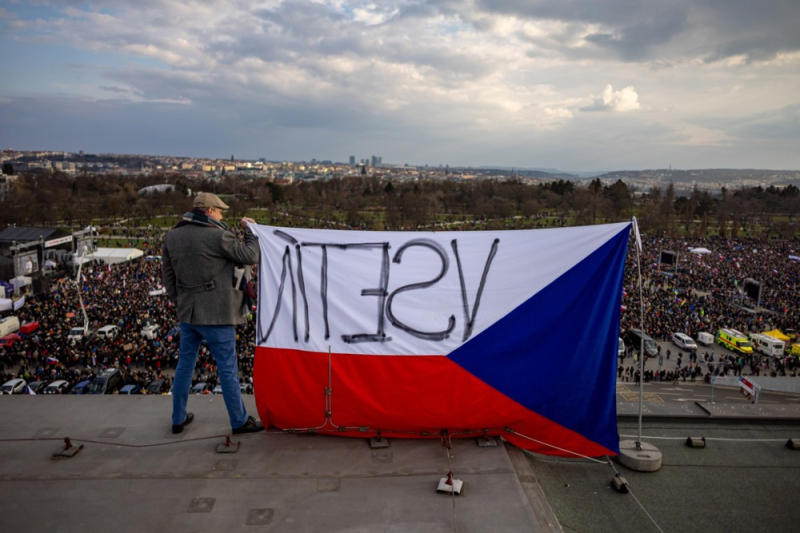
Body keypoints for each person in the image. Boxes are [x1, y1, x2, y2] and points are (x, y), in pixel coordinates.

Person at [162, 192, 264, 435]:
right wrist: (249, 230)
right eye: (219, 211)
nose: (221, 216)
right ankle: (238, 421)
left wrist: (182, 302)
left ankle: (178, 418)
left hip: (188, 313)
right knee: (227, 368)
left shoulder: (172, 236)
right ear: (209, 211)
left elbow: (168, 278)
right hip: (218, 315)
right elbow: (251, 255)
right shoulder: (217, 235)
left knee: (185, 365)